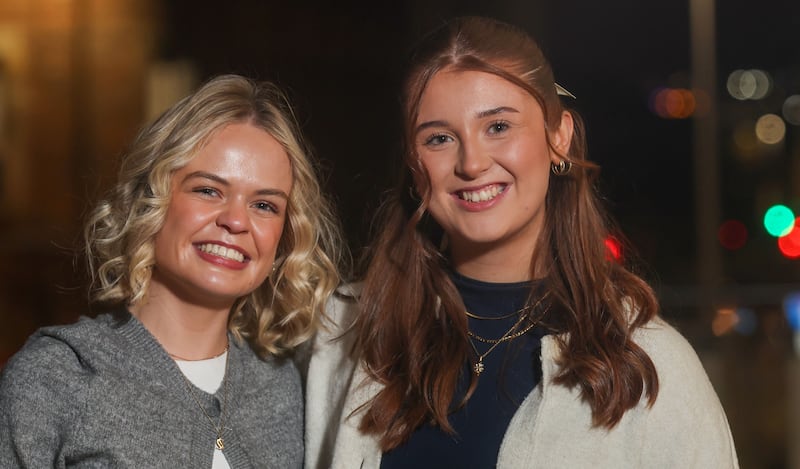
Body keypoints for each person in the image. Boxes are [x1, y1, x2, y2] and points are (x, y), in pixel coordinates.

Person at [305, 16, 739, 469]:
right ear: (415, 168)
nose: (472, 162)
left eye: (498, 127)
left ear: (559, 137)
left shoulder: (649, 363)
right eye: (439, 138)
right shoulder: (346, 336)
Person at [0, 74, 344, 468]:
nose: (235, 221)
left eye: (265, 205)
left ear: (284, 236)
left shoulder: (283, 388)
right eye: (208, 190)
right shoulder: (57, 376)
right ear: (152, 200)